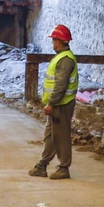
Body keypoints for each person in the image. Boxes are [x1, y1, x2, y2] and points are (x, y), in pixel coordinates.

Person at [30, 25, 78, 179]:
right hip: (58, 103)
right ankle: (42, 165)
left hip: (61, 104)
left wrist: (51, 103)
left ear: (59, 41)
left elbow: (60, 85)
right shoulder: (62, 57)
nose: (53, 43)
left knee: (61, 136)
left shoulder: (65, 60)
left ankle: (64, 168)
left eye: (54, 40)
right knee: (51, 135)